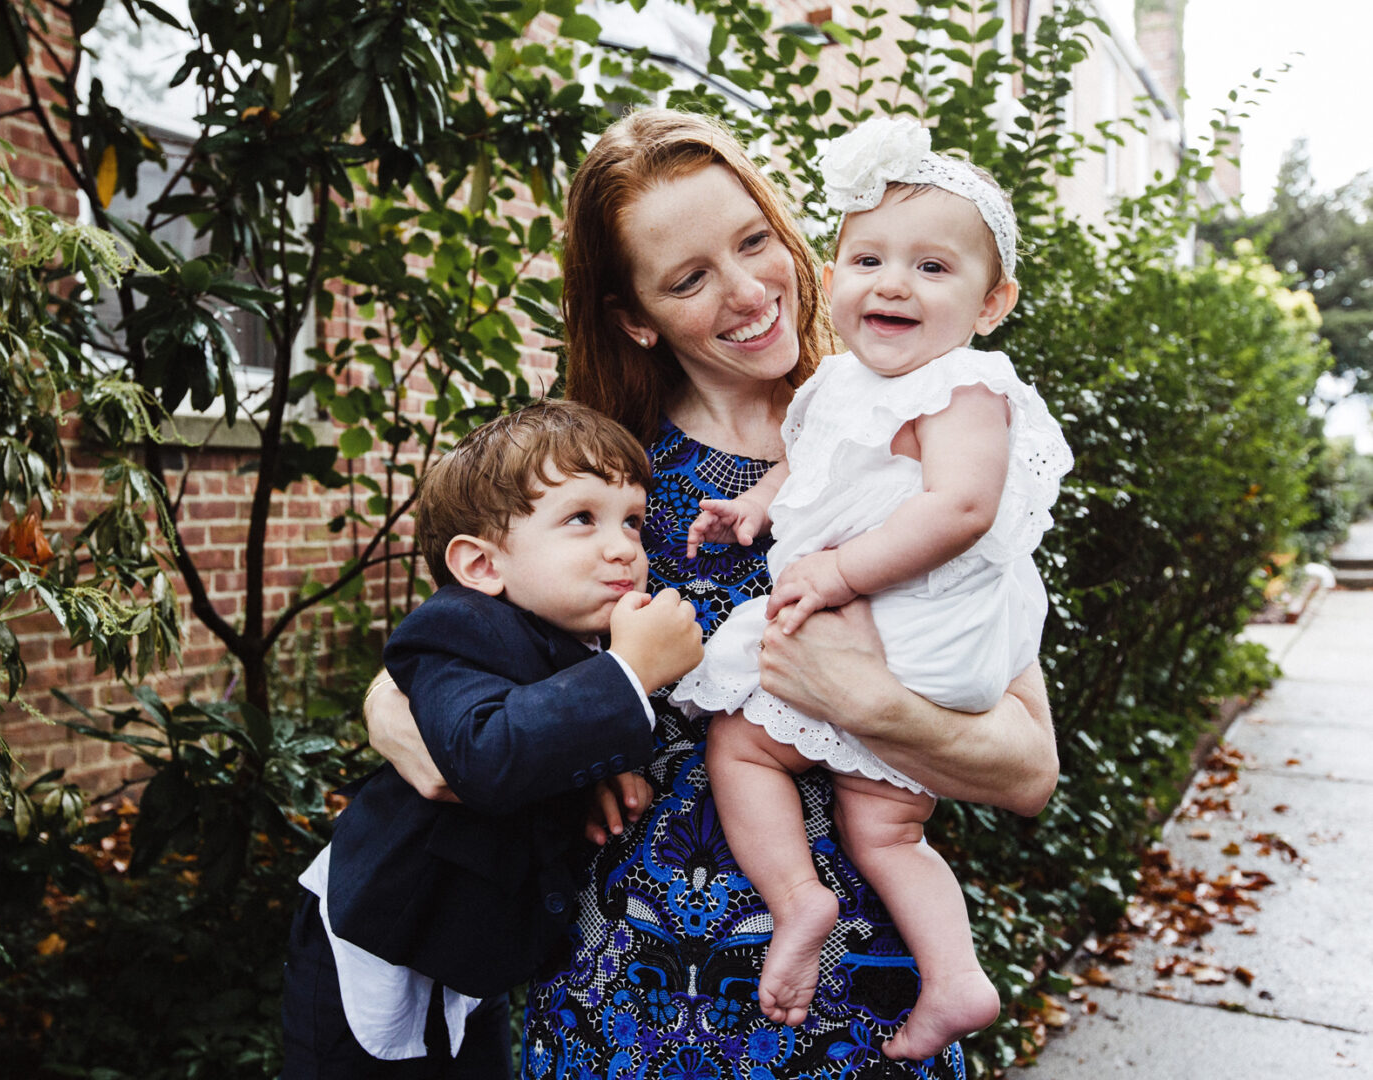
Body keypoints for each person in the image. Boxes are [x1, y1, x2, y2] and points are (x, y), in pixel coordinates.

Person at [366, 107, 1060, 1080]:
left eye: (754, 242)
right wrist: (436, 716)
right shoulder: (599, 485)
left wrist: (868, 705)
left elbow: (1028, 770)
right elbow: (437, 670)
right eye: (690, 278)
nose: (747, 292)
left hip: (851, 998)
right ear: (635, 316)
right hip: (626, 997)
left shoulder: (911, 440)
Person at [669, 117, 1073, 1057]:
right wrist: (756, 504)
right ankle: (957, 977)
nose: (893, 283)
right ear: (836, 271)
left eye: (933, 268)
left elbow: (964, 507)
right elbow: (812, 468)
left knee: (742, 744)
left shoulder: (967, 388)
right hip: (879, 634)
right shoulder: (842, 386)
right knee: (888, 831)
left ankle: (796, 897)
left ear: (992, 302)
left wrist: (841, 571)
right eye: (868, 258)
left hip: (913, 628)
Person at [281, 400, 704, 1079]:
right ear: (481, 565)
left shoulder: (578, 639)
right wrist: (630, 676)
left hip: (474, 946)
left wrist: (609, 762)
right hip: (380, 933)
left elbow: (558, 730)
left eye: (632, 521)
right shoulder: (456, 628)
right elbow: (485, 753)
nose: (624, 546)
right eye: (581, 519)